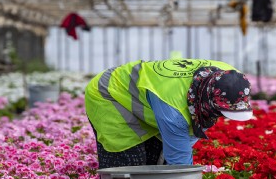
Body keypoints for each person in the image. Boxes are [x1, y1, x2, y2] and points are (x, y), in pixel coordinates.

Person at [85, 58, 253, 168]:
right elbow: (180, 163)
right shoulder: (174, 109)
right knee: (129, 165)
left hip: (146, 98)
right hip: (110, 94)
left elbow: (185, 139)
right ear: (207, 101)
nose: (222, 117)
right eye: (221, 111)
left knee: (153, 161)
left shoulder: (230, 76)